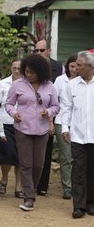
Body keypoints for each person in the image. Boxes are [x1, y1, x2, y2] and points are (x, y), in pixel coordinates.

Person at [6, 54, 59, 211]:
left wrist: (48, 112)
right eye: (26, 71)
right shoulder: (17, 84)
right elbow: (8, 104)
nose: (28, 75)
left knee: (38, 165)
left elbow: (56, 106)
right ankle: (29, 197)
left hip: (41, 130)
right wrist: (13, 113)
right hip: (22, 129)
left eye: (32, 72)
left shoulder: (49, 86)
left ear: (41, 72)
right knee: (26, 164)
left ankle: (30, 189)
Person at [62, 51, 94, 219]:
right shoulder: (71, 85)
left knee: (92, 170)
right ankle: (79, 206)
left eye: (80, 65)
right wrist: (64, 129)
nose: (75, 68)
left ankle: (91, 203)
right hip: (78, 136)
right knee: (79, 171)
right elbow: (66, 108)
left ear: (90, 67)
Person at [35, 39, 63, 196]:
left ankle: (43, 185)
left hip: (51, 111)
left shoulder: (58, 67)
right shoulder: (31, 64)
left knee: (47, 149)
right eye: (36, 50)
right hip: (34, 112)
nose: (39, 53)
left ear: (48, 50)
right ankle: (32, 182)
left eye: (41, 50)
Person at [0, 59, 23, 198]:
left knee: (20, 156)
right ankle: (4, 178)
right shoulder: (3, 83)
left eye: (19, 68)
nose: (17, 70)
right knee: (7, 153)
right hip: (6, 123)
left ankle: (19, 186)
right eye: (14, 68)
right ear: (11, 68)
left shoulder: (27, 84)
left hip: (23, 124)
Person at [54, 54, 78, 200]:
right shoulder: (60, 80)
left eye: (77, 66)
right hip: (61, 121)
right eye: (72, 66)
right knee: (66, 156)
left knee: (79, 156)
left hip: (79, 123)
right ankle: (67, 187)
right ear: (67, 66)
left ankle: (78, 185)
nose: (74, 69)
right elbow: (54, 101)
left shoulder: (85, 81)